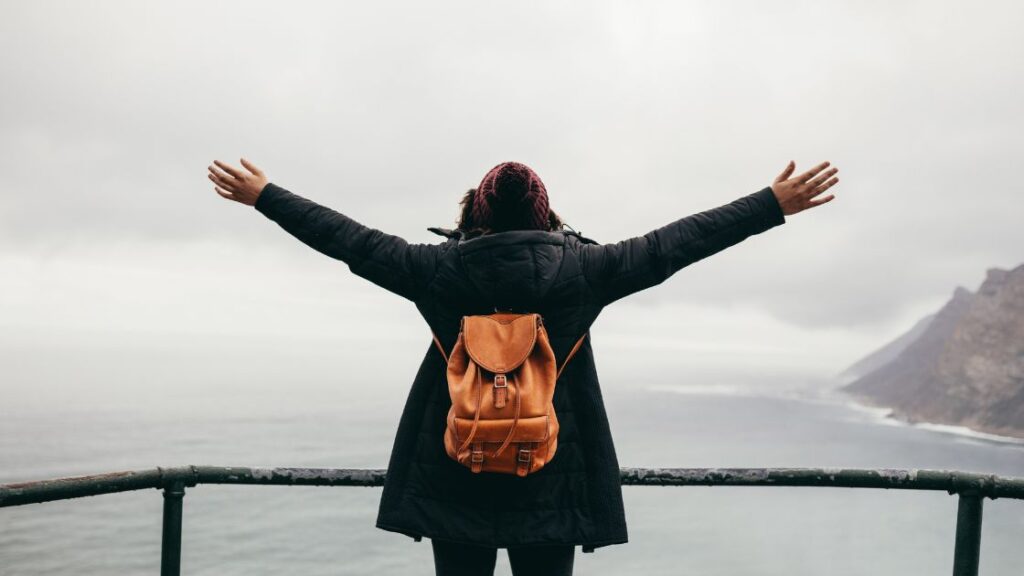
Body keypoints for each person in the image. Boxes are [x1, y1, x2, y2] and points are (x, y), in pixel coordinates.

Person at [207, 158, 839, 576]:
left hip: (455, 467)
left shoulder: (434, 270)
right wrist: (770, 203)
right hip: (552, 470)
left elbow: (346, 238)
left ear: (473, 212)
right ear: (548, 214)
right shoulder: (589, 269)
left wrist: (265, 196)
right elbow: (682, 241)